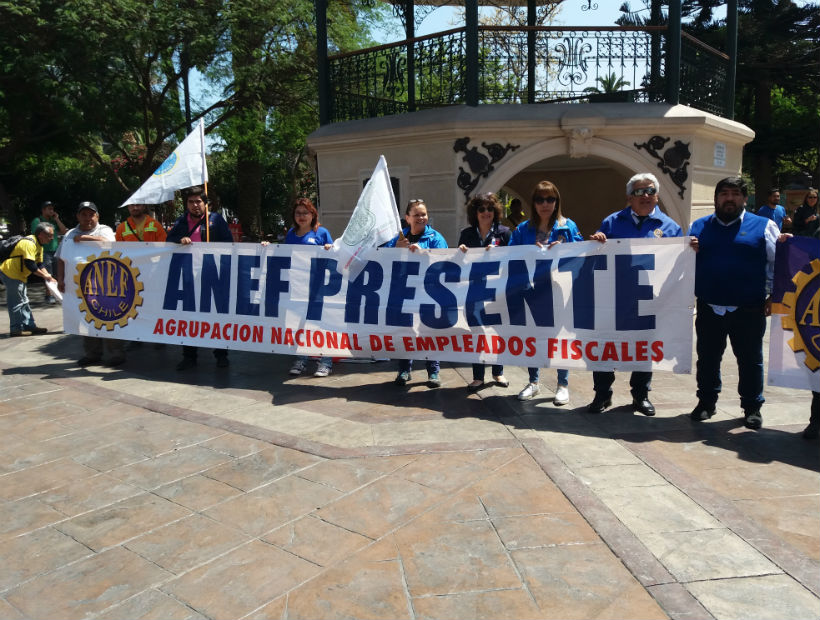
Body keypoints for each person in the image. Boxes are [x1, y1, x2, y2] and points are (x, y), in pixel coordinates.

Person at [688, 176, 781, 430]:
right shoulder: (698, 227)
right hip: (709, 306)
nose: (729, 198)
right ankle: (706, 402)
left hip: (749, 308)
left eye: (735, 194)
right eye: (724, 194)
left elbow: (778, 263)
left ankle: (752, 407)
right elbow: (682, 264)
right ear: (716, 198)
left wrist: (775, 295)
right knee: (707, 358)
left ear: (745, 198)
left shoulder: (764, 226)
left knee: (750, 360)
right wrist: (689, 251)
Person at [588, 172, 683, 415]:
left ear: (657, 196)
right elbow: (597, 256)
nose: (646, 196)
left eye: (650, 191)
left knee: (644, 347)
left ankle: (640, 396)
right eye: (639, 192)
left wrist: (691, 250)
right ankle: (602, 394)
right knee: (605, 344)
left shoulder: (670, 228)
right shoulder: (612, 222)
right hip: (614, 296)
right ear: (630, 197)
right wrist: (597, 242)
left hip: (649, 300)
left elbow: (679, 263)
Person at [509, 181, 582, 403]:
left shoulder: (567, 227)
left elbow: (580, 256)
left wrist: (564, 251)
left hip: (560, 290)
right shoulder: (523, 229)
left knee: (560, 337)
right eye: (540, 199)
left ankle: (562, 383)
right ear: (533, 203)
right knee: (534, 336)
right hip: (531, 290)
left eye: (550, 199)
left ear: (557, 202)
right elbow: (509, 255)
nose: (545, 204)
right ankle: (533, 382)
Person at [167, 185, 233, 370]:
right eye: (191, 202)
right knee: (188, 317)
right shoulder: (181, 222)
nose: (195, 205)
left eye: (198, 201)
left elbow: (229, 244)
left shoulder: (216, 220)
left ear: (205, 203)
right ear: (186, 204)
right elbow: (167, 241)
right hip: (189, 277)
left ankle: (221, 355)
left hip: (213, 276)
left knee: (216, 316)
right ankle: (189, 356)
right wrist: (179, 240)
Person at [385, 199, 448, 388]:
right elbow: (380, 256)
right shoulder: (398, 238)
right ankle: (404, 369)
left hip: (428, 293)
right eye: (417, 214)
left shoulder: (436, 237)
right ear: (407, 218)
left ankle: (433, 371)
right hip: (403, 294)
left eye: (424, 214)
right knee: (405, 332)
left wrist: (424, 253)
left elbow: (444, 261)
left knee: (428, 332)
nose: (421, 218)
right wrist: (394, 250)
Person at [56, 201, 126, 366]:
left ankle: (116, 354)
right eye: (83, 214)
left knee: (109, 317)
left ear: (97, 216)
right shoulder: (69, 235)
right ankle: (92, 353)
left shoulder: (105, 230)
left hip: (105, 284)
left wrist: (84, 238)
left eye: (91, 214)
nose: (87, 218)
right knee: (85, 319)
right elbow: (60, 258)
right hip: (80, 286)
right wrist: (60, 278)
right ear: (78, 216)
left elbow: (107, 244)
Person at [457, 192, 512, 391]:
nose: (486, 212)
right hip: (474, 292)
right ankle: (478, 376)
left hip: (497, 292)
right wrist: (461, 252)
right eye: (481, 209)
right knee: (477, 333)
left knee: (497, 332)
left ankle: (498, 372)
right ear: (475, 212)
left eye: (490, 208)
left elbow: (514, 260)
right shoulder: (467, 234)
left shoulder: (505, 233)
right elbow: (459, 265)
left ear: (495, 211)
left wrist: (500, 253)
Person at [285, 198, 335, 378]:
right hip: (298, 286)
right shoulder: (291, 234)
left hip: (319, 287)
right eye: (298, 213)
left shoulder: (322, 233)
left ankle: (326, 362)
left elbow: (334, 255)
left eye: (305, 212)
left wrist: (331, 248)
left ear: (312, 214)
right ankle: (301, 359)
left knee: (322, 324)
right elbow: (283, 256)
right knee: (299, 324)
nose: (301, 216)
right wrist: (266, 248)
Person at [0, 222, 56, 336]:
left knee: (24, 301)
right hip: (10, 273)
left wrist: (49, 276)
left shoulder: (39, 245)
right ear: (41, 234)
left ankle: (30, 326)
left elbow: (39, 264)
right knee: (16, 302)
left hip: (19, 275)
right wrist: (45, 276)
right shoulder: (28, 243)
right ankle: (15, 329)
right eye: (49, 235)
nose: (52, 238)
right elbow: (31, 265)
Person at [31, 201, 67, 304]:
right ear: (43, 210)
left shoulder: (53, 222)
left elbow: (64, 231)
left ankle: (55, 293)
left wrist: (57, 219)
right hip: (44, 251)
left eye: (52, 208)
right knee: (47, 273)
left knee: (57, 273)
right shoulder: (37, 221)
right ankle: (48, 295)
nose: (51, 210)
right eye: (49, 209)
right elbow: (36, 234)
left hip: (55, 250)